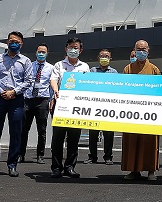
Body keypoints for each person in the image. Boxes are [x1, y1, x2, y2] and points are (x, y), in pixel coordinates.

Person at [0, 30, 33, 178]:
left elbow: (28, 81)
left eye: (17, 42)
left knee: (16, 133)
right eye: (11, 41)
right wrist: (0, 91)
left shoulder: (25, 61)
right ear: (7, 42)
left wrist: (14, 92)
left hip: (17, 100)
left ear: (21, 44)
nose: (14, 43)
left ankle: (12, 165)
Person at [49, 37, 90, 179]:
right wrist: (55, 91)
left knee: (74, 138)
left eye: (76, 47)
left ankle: (70, 167)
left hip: (76, 107)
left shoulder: (84, 67)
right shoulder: (58, 65)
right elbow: (53, 79)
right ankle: (56, 168)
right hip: (60, 105)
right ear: (66, 49)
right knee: (58, 138)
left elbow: (88, 84)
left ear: (81, 50)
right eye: (71, 47)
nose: (73, 50)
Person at [122, 40, 161, 181]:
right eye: (139, 49)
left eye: (144, 49)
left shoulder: (155, 70)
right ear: (134, 50)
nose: (141, 52)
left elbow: (159, 92)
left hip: (149, 112)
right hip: (132, 112)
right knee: (132, 141)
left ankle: (151, 170)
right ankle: (134, 170)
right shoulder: (128, 69)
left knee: (150, 141)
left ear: (148, 50)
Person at [20, 44, 51, 164]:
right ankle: (20, 155)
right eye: (39, 51)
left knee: (42, 130)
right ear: (36, 52)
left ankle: (40, 155)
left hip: (42, 100)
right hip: (28, 100)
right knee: (24, 129)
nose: (41, 54)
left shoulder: (50, 68)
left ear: (47, 53)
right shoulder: (29, 66)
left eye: (44, 52)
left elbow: (52, 85)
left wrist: (51, 100)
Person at [86, 48, 117, 165]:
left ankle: (108, 157)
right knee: (93, 133)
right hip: (94, 107)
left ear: (110, 59)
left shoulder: (114, 73)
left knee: (108, 133)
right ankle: (92, 156)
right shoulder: (92, 71)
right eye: (102, 56)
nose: (104, 58)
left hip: (108, 107)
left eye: (107, 56)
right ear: (98, 58)